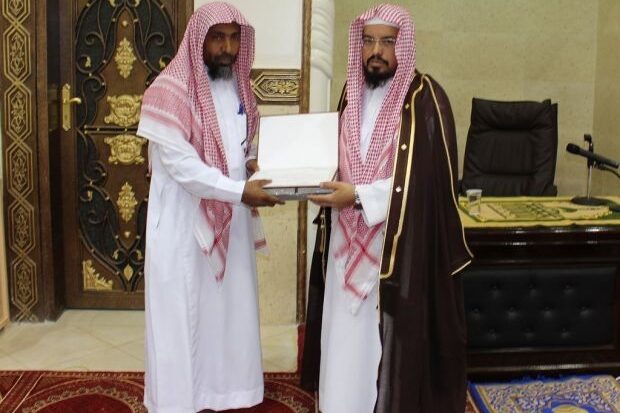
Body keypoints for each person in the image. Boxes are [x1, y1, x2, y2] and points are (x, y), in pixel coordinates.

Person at [304, 4, 473, 413]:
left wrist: (360, 196)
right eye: (368, 41)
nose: (376, 51)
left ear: (404, 45)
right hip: (345, 239)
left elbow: (425, 180)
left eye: (387, 42)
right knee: (342, 341)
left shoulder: (426, 99)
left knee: (385, 347)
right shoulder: (351, 93)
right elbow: (337, 158)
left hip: (397, 247)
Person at [137, 3, 282, 412]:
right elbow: (182, 167)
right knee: (183, 319)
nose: (227, 48)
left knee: (227, 315)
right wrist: (240, 192)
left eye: (234, 38)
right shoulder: (169, 91)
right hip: (183, 227)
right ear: (199, 39)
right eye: (218, 38)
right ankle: (179, 402)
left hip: (230, 221)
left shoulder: (239, 88)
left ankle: (225, 393)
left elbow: (244, 144)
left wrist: (252, 163)